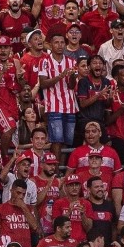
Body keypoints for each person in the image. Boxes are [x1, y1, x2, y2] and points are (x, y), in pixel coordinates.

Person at [38, 33, 77, 161]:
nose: (60, 45)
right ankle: (54, 169)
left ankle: (61, 168)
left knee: (66, 140)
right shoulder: (44, 61)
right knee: (56, 140)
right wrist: (61, 76)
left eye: (62, 42)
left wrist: (71, 76)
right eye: (56, 42)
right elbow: (43, 84)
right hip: (53, 106)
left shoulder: (72, 61)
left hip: (70, 106)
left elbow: (72, 86)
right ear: (50, 45)